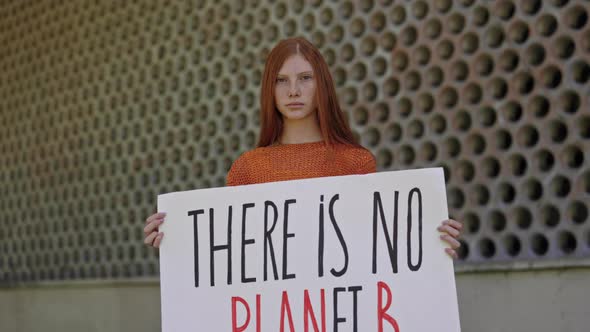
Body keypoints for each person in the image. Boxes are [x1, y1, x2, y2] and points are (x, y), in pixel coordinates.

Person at [144, 37, 463, 258]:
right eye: (281, 80)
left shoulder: (356, 163)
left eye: (305, 78)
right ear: (269, 89)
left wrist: (430, 239)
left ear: (321, 85)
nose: (293, 90)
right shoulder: (247, 169)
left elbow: (374, 248)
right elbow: (232, 252)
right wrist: (176, 241)